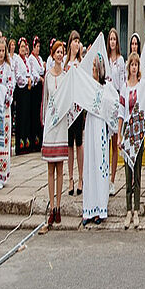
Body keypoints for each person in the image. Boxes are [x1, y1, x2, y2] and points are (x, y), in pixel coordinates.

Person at [81, 53, 116, 227]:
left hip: (101, 126)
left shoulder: (106, 87)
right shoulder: (88, 86)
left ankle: (101, 207)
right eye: (93, 67)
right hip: (90, 126)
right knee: (90, 166)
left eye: (95, 67)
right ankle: (89, 207)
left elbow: (114, 104)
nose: (93, 70)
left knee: (101, 165)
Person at [40, 40, 69, 231]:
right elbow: (45, 99)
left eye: (62, 52)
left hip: (62, 123)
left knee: (60, 167)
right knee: (51, 168)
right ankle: (51, 205)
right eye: (57, 52)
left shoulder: (66, 76)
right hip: (51, 123)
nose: (59, 55)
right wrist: (44, 120)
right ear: (53, 54)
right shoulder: (48, 76)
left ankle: (59, 205)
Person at [119, 52, 144, 228]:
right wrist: (119, 134)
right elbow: (121, 112)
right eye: (132, 65)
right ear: (129, 67)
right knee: (128, 172)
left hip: (138, 131)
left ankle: (136, 208)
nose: (134, 67)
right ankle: (128, 209)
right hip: (128, 129)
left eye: (136, 65)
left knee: (137, 171)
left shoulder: (141, 87)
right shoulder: (124, 87)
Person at [63, 32, 85, 196]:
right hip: (67, 108)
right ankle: (70, 177)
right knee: (69, 144)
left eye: (78, 42)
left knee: (79, 143)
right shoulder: (65, 64)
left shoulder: (80, 63)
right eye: (74, 41)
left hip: (78, 107)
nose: (76, 44)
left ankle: (80, 177)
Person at [106, 28, 125, 190]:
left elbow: (122, 84)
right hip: (106, 103)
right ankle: (104, 177)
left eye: (114, 39)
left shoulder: (120, 60)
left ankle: (112, 180)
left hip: (116, 103)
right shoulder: (105, 59)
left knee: (114, 144)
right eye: (110, 39)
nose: (112, 41)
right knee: (104, 143)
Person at [0, 37, 13, 186]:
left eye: (2, 51)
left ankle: (3, 175)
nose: (0, 53)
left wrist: (6, 97)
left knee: (4, 141)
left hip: (4, 107)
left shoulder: (7, 67)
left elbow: (11, 85)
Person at [11, 37, 33, 155]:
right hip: (21, 90)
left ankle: (26, 142)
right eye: (22, 47)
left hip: (28, 90)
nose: (24, 49)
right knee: (21, 116)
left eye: (25, 47)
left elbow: (29, 73)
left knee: (27, 117)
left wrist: (30, 80)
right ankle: (20, 144)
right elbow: (18, 75)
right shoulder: (17, 60)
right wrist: (26, 80)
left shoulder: (27, 61)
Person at [28, 36, 46, 160]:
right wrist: (39, 76)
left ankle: (39, 139)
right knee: (34, 113)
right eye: (36, 46)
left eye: (39, 47)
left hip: (40, 87)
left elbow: (42, 69)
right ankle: (34, 140)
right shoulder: (31, 59)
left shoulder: (39, 58)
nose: (38, 49)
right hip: (35, 87)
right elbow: (36, 71)